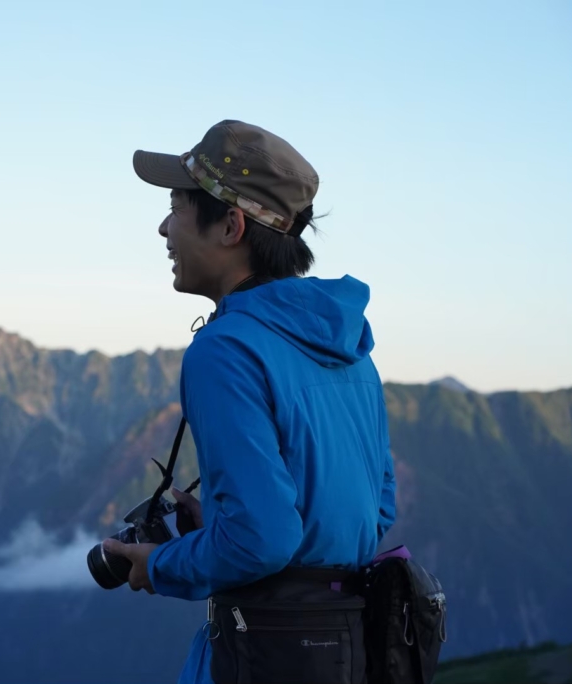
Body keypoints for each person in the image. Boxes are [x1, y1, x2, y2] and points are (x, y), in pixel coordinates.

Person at [101, 120, 397, 684]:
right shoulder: (352, 347)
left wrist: (159, 564)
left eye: (177, 208)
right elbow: (373, 510)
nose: (164, 228)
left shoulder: (225, 351)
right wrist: (223, 524)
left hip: (260, 655)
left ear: (231, 225)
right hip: (349, 656)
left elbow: (261, 540)